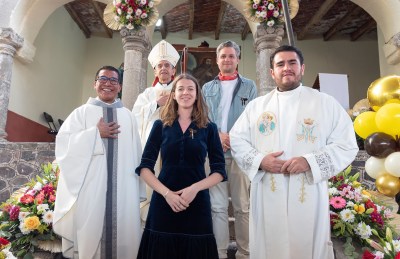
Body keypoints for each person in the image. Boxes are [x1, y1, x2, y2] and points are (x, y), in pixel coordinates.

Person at [229, 45, 359, 259]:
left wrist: (310, 162)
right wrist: (261, 161)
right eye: (280, 64)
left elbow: (346, 144)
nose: (286, 68)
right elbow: (237, 139)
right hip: (268, 190)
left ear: (302, 68)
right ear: (272, 72)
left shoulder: (324, 103)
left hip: (308, 189)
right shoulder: (257, 107)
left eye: (292, 63)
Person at [53, 65, 146, 258]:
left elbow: (137, 155)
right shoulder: (80, 113)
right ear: (95, 84)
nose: (108, 84)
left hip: (124, 189)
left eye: (113, 80)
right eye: (103, 79)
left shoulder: (128, 117)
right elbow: (64, 148)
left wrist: (138, 188)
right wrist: (95, 135)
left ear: (119, 87)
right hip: (90, 188)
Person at [136, 73, 227, 259]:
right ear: (174, 95)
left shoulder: (209, 128)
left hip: (197, 203)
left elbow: (219, 171)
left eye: (190, 89)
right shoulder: (160, 125)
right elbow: (145, 168)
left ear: (197, 95)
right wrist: (167, 194)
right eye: (181, 89)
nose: (186, 92)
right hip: (163, 202)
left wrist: (194, 189)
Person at [202, 40, 257, 259]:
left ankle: (245, 253)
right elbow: (202, 117)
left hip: (240, 154)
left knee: (243, 207)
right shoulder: (207, 88)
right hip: (214, 154)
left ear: (238, 60)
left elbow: (252, 118)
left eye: (231, 56)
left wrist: (232, 138)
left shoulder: (249, 87)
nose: (227, 59)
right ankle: (220, 252)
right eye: (223, 56)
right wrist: (217, 135)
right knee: (217, 207)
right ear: (217, 60)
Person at [132, 40, 180, 227]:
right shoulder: (147, 94)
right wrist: (155, 104)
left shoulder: (181, 90)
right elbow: (135, 117)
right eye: (160, 66)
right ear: (155, 70)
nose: (164, 69)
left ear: (173, 70)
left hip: (174, 148)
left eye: (167, 65)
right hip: (151, 148)